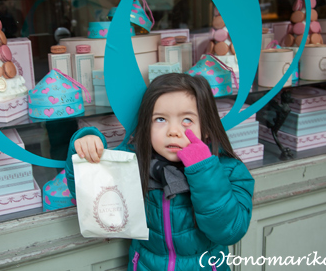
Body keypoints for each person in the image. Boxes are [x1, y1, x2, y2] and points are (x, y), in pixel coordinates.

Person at [65, 73, 255, 270]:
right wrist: (87, 146)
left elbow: (229, 232)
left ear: (206, 127)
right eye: (161, 119)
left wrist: (203, 169)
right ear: (147, 125)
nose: (173, 131)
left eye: (187, 120)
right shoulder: (133, 162)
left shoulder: (229, 170)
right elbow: (88, 192)